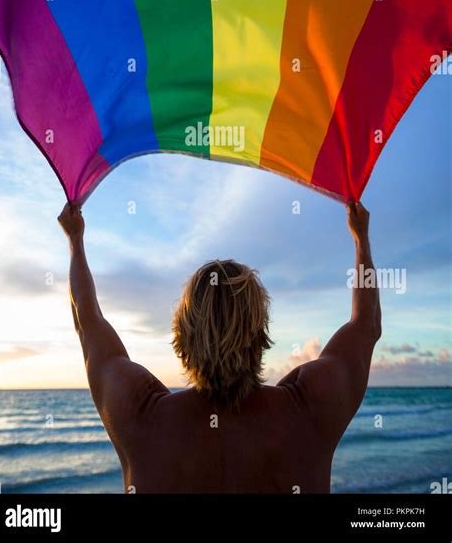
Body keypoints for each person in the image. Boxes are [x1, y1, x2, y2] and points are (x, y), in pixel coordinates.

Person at [58, 200, 381, 493]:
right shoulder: (307, 411)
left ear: (182, 334)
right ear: (260, 331)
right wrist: (360, 238)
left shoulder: (141, 417)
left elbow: (87, 322)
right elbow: (365, 325)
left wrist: (75, 241)